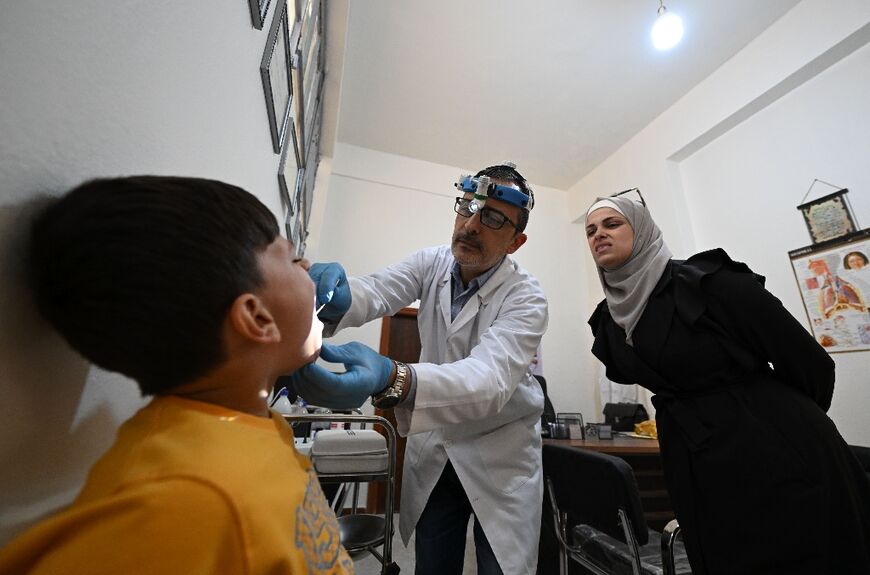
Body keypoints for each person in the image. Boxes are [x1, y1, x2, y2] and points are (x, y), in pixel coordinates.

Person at [0, 176, 353, 574]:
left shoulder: (249, 429)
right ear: (256, 318)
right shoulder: (185, 502)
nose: (308, 265)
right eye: (291, 258)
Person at [584, 195, 870, 574]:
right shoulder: (609, 320)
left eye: (612, 224)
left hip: (774, 445)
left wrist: (785, 426)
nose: (598, 234)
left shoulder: (707, 282)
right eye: (590, 230)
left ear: (642, 230)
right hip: (694, 457)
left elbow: (809, 361)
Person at [292, 164, 548, 575]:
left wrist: (393, 378)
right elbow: (377, 289)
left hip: (499, 457)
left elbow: (489, 381)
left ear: (515, 242)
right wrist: (339, 296)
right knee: (432, 564)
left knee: (499, 566)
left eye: (494, 218)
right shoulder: (432, 263)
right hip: (437, 450)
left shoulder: (527, 297)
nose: (470, 224)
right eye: (467, 206)